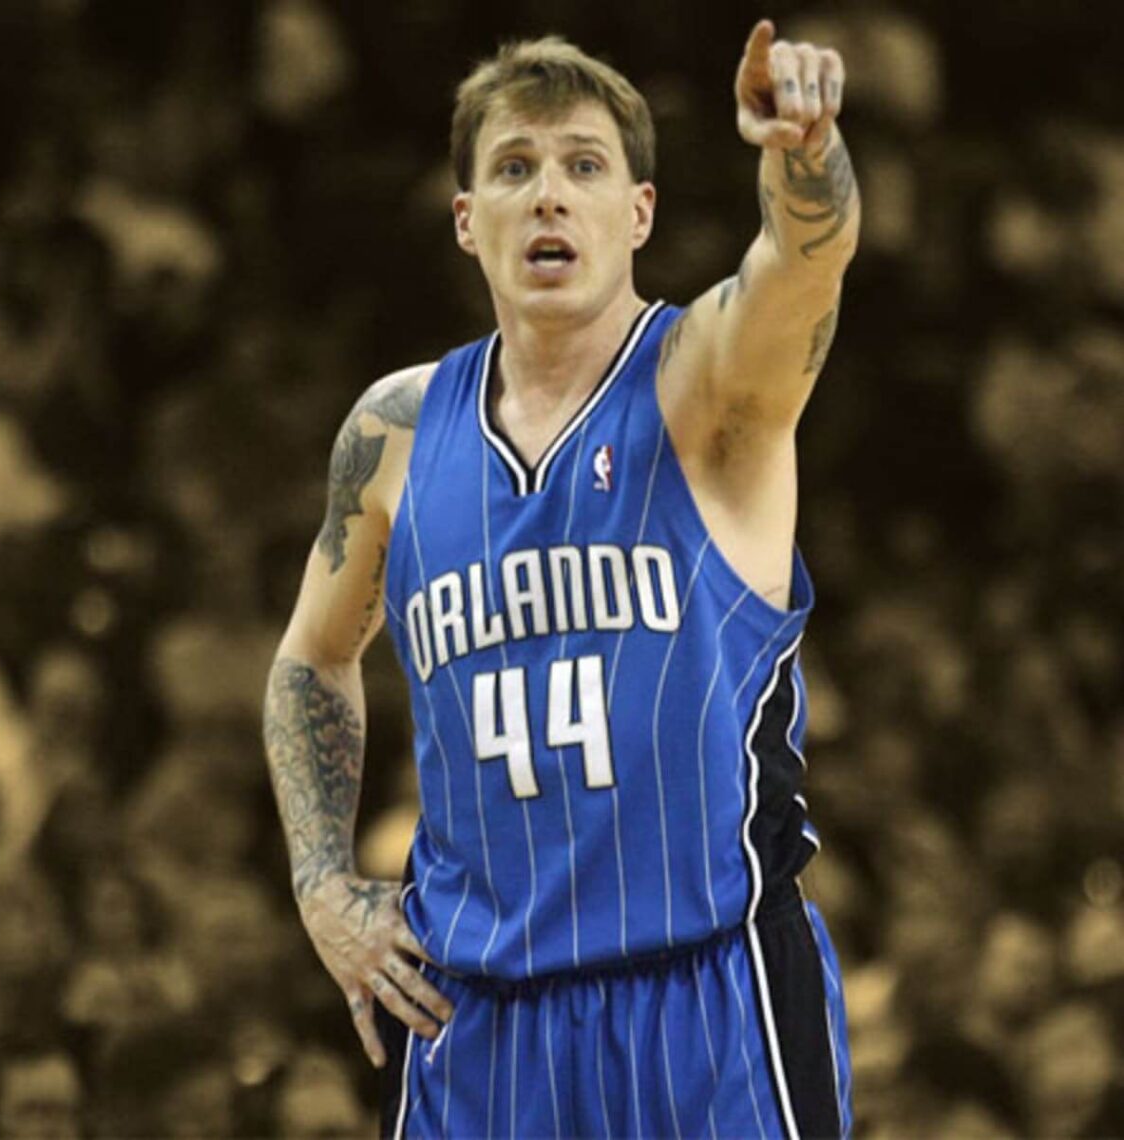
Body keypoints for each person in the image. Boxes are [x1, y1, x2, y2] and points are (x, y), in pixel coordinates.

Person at [264, 17, 859, 1138]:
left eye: (585, 166)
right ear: (466, 220)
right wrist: (321, 886)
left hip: (706, 993)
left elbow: (803, 265)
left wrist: (805, 152)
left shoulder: (708, 383)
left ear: (639, 213)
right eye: (514, 169)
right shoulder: (393, 435)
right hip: (477, 1016)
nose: (548, 196)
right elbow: (312, 655)